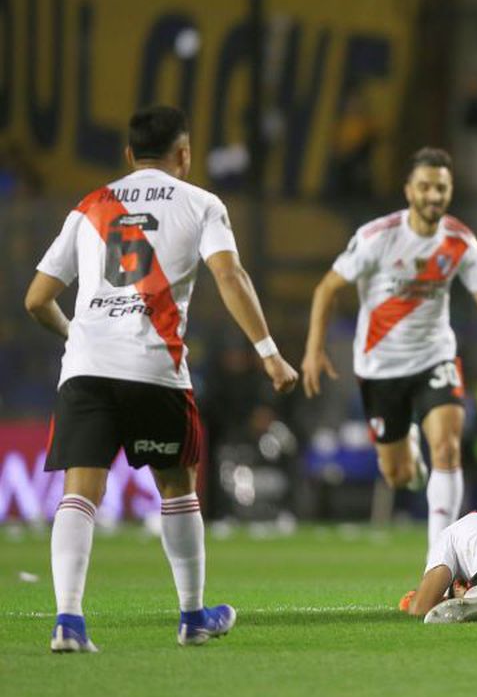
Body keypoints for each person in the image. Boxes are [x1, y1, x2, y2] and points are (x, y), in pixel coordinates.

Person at [24, 105, 299, 652]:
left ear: (129, 154)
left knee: (79, 494)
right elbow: (229, 274)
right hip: (154, 369)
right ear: (185, 154)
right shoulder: (200, 202)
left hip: (86, 369)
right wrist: (269, 353)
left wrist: (75, 335)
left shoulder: (89, 207)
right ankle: (193, 616)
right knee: (177, 488)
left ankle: (68, 622)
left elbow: (36, 299)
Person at [301, 147, 477, 550]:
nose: (433, 196)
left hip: (435, 357)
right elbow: (327, 288)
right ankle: (414, 464)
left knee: (448, 446)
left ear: (449, 190)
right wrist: (314, 350)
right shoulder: (376, 237)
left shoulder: (459, 240)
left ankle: (439, 560)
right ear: (408, 191)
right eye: (425, 187)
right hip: (380, 367)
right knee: (398, 475)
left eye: (441, 188)